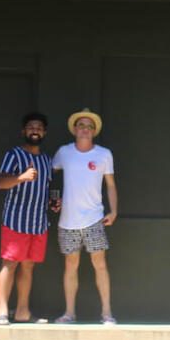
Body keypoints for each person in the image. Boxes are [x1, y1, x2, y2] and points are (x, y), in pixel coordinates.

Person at [50, 109, 118, 325]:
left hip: (94, 218)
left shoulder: (104, 154)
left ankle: (107, 313)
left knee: (100, 264)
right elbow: (49, 177)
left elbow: (111, 185)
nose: (85, 129)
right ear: (74, 129)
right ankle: (69, 313)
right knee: (70, 265)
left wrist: (113, 211)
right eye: (82, 125)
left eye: (90, 126)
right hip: (68, 220)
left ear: (94, 131)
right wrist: (54, 199)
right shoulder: (64, 152)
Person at [0, 111, 55, 325]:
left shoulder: (47, 160)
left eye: (39, 127)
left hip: (38, 222)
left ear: (44, 132)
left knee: (28, 265)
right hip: (15, 220)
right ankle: (2, 311)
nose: (35, 130)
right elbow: (1, 182)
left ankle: (22, 311)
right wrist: (21, 177)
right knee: (9, 263)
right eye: (31, 127)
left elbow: (45, 188)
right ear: (24, 131)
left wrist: (52, 203)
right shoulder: (14, 155)